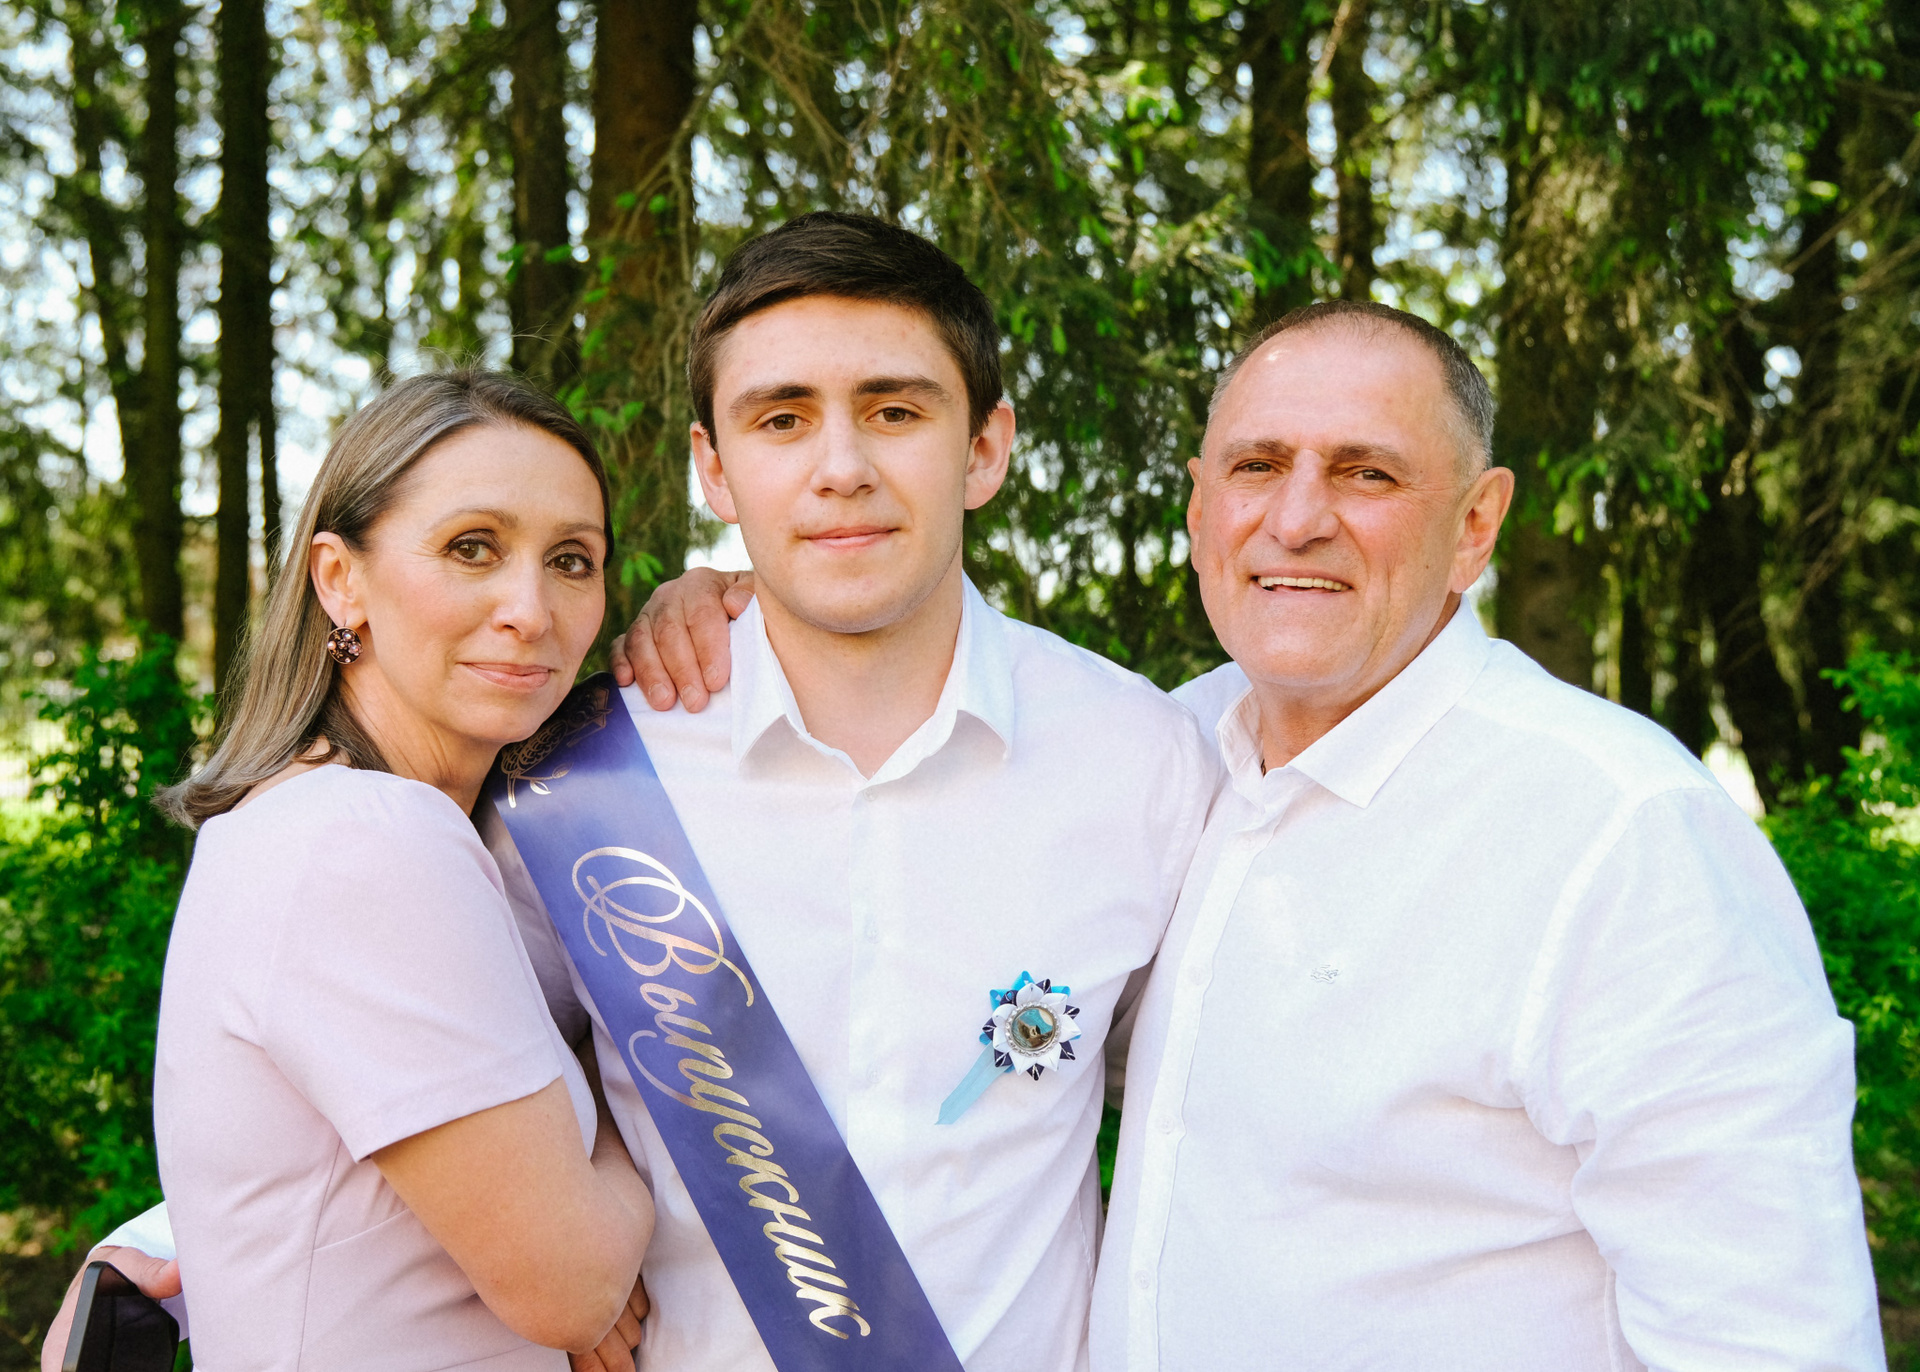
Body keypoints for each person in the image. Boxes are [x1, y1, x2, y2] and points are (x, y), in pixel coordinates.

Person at [616, 301, 1882, 1367]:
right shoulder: (1159, 758)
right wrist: (741, 603)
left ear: (1478, 524)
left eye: (1367, 473)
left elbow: (1770, 1333)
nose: (1297, 519)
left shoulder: (1624, 834)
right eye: (1258, 466)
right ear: (1199, 503)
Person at [53, 217, 1218, 1372]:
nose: (841, 466)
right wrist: (181, 1239)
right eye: (782, 419)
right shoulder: (581, 774)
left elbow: (1205, 1124)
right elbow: (407, 1079)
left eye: (895, 411)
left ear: (986, 448)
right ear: (714, 467)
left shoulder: (1144, 762)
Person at [44, 372, 655, 1372]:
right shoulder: (365, 838)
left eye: (572, 560)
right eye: (473, 547)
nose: (531, 608)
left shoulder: (337, 823)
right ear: (340, 578)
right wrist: (668, 1066)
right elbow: (575, 1287)